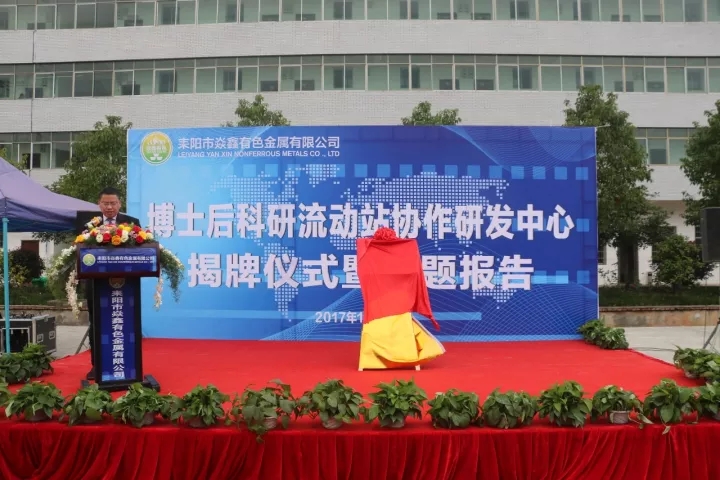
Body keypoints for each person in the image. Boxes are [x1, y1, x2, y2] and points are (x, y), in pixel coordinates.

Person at [75, 187, 140, 381]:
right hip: (96, 284)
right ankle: (97, 365)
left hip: (125, 285)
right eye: (106, 203)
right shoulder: (88, 224)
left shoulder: (131, 223)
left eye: (113, 203)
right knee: (96, 322)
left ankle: (128, 363)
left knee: (126, 322)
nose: (110, 207)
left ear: (120, 204)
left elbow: (140, 250)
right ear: (99, 204)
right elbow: (79, 248)